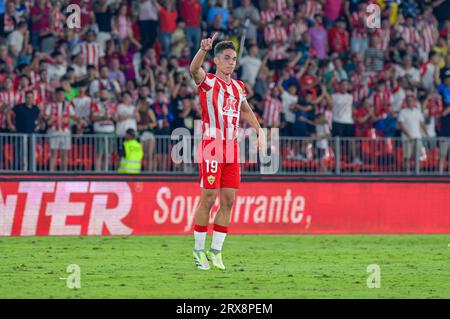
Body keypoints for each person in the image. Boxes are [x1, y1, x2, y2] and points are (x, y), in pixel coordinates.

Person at [189, 33, 265, 271]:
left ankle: (216, 251)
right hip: (212, 145)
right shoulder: (209, 82)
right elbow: (193, 70)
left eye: (234, 58)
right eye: (227, 58)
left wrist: (260, 131)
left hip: (231, 147)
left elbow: (246, 109)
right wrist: (203, 50)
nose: (232, 62)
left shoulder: (239, 87)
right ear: (217, 62)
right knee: (209, 198)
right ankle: (199, 250)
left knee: (229, 200)